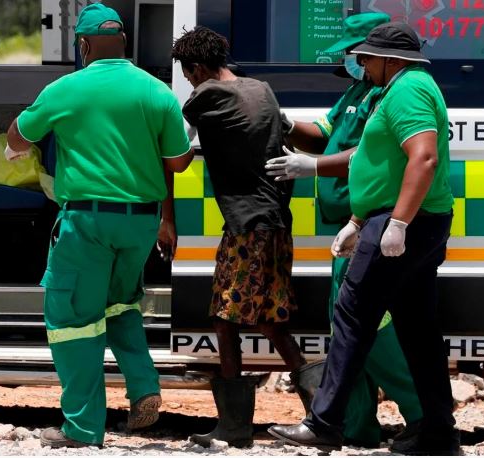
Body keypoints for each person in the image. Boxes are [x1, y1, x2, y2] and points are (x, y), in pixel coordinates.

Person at [4, 4, 194, 448]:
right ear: (124, 41)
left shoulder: (65, 89)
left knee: (73, 319)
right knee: (120, 304)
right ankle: (143, 384)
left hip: (87, 222)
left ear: (84, 45)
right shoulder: (157, 91)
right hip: (141, 222)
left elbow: (18, 137)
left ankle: (82, 428)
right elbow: (179, 162)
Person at [267, 22, 459, 455]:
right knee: (418, 331)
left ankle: (324, 423)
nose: (361, 64)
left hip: (403, 221)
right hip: (399, 219)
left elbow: (423, 158)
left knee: (352, 316)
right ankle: (438, 432)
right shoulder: (393, 90)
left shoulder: (408, 89)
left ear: (391, 59)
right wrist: (357, 220)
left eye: (367, 57)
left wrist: (398, 223)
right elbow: (379, 160)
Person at [170, 26, 306, 448]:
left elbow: (176, 153)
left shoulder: (206, 95)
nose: (189, 81)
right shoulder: (261, 89)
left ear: (196, 68)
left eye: (188, 74)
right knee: (269, 319)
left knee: (224, 316)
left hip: (247, 225)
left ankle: (233, 425)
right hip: (276, 221)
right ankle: (323, 412)